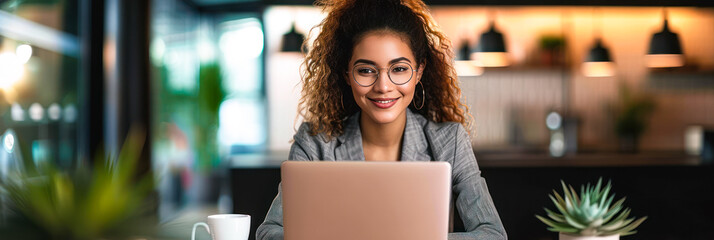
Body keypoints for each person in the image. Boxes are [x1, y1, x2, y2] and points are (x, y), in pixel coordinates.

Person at [257, 0, 507, 239]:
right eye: (366, 70)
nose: (383, 86)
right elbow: (270, 232)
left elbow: (492, 233)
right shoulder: (316, 142)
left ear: (419, 72)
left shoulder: (449, 142)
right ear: (347, 74)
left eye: (399, 69)